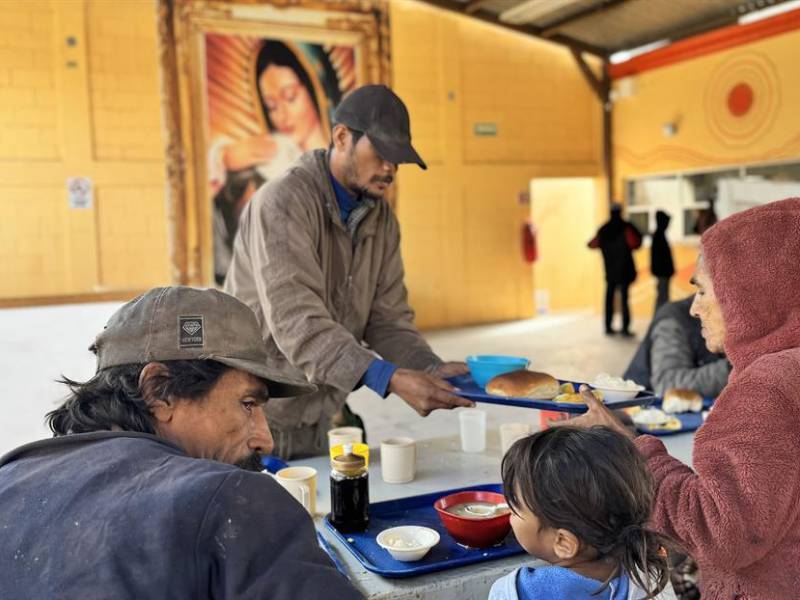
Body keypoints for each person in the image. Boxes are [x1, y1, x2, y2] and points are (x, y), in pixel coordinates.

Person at [0, 287, 364, 600]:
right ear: (159, 391)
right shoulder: (229, 497)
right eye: (248, 404)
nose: (265, 439)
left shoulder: (9, 481)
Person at [558, 198, 800, 597]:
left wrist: (630, 453)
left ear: (749, 294)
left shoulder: (767, 389)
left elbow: (721, 531)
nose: (693, 309)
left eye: (702, 291)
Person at [225, 84, 472, 460]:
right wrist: (386, 378)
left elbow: (387, 319)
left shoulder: (382, 218)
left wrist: (429, 367)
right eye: (382, 154)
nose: (390, 169)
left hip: (324, 413)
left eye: (398, 160)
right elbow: (298, 324)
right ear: (341, 137)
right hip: (258, 417)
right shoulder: (283, 203)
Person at [489, 426, 676, 600]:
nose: (509, 513)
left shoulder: (516, 592)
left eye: (515, 507)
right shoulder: (650, 575)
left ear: (563, 543)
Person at [624, 295, 730, 397]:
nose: (693, 310)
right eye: (701, 291)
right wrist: (736, 367)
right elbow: (667, 384)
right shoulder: (673, 320)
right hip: (644, 409)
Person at [588, 203, 643, 337]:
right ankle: (624, 328)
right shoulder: (626, 227)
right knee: (624, 300)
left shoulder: (604, 229)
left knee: (609, 299)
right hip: (625, 270)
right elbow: (636, 243)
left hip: (610, 272)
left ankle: (608, 327)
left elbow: (591, 244)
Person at [650, 210, 674, 312]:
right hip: (662, 272)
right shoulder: (659, 236)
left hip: (663, 272)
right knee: (662, 298)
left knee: (663, 297)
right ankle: (659, 317)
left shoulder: (659, 235)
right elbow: (660, 257)